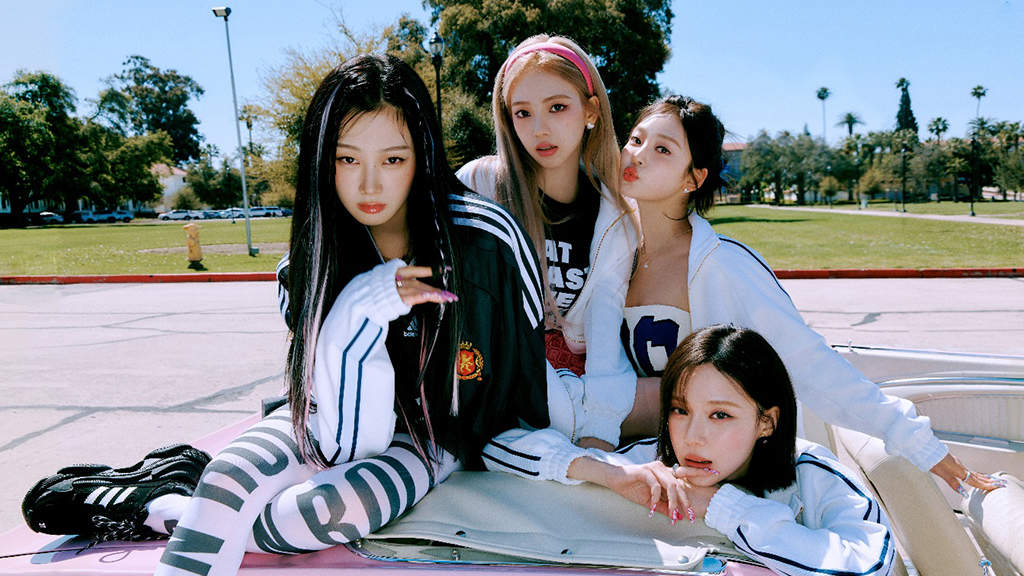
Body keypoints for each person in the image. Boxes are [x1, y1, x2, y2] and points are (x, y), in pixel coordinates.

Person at [22, 54, 549, 576]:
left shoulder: (487, 243)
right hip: (331, 417)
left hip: (434, 436)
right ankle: (188, 493)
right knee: (225, 480)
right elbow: (333, 417)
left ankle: (158, 506)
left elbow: (523, 386)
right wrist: (355, 311)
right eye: (347, 160)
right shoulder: (304, 267)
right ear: (321, 161)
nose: (369, 185)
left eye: (393, 159)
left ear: (423, 156)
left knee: (310, 516)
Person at [481, 95, 1004, 496]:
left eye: (663, 149)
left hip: (726, 469)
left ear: (694, 178)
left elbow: (810, 362)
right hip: (648, 453)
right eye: (636, 140)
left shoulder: (722, 265)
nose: (636, 156)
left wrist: (920, 445)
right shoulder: (612, 249)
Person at [574, 325, 897, 576]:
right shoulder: (649, 465)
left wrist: (721, 505)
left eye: (720, 415)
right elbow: (541, 451)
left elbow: (869, 565)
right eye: (680, 410)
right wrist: (609, 475)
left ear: (766, 422)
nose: (693, 437)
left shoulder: (814, 475)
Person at [456, 35, 638, 452]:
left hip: (580, 385)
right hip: (491, 379)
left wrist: (601, 432)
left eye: (557, 107)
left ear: (591, 111)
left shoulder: (616, 218)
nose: (540, 129)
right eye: (523, 113)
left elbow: (605, 329)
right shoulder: (478, 186)